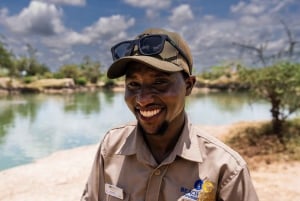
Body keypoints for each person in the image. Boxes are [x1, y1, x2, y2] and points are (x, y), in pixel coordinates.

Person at [80, 28, 259, 201]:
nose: (143, 100)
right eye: (134, 84)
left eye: (160, 82)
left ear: (188, 85)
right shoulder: (111, 147)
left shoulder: (225, 168)